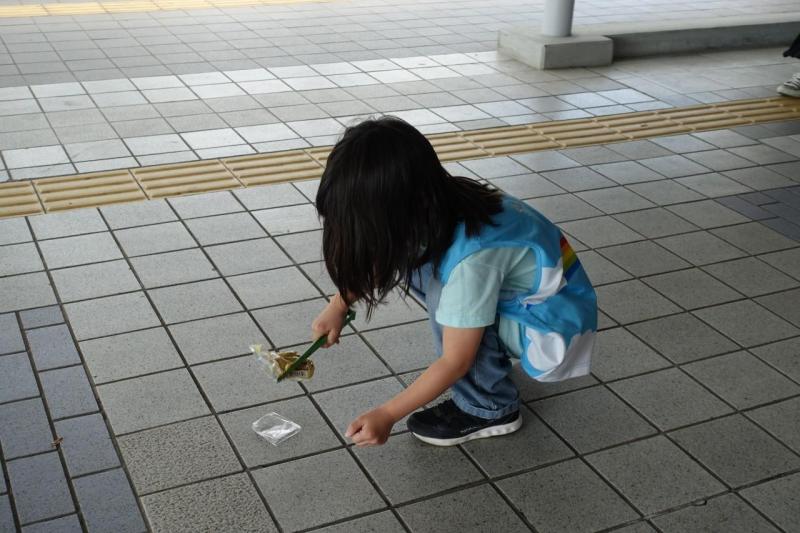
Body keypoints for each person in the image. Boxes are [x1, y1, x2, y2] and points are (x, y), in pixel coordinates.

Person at [310, 117, 597, 447]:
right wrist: (339, 303)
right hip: (542, 297)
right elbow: (383, 251)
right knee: (431, 279)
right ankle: (488, 367)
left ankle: (489, 408)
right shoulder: (438, 200)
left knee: (454, 308)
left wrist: (387, 414)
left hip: (553, 326)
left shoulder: (471, 262)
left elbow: (455, 360)